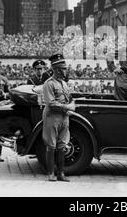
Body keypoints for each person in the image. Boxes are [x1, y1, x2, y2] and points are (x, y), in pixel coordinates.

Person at [42, 53, 75, 182]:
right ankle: (51, 173)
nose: (65, 71)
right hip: (52, 117)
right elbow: (51, 103)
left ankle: (61, 173)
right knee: (51, 145)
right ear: (55, 69)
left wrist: (72, 105)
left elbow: (71, 99)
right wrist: (68, 107)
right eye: (63, 68)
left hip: (64, 118)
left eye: (65, 68)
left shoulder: (64, 84)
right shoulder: (48, 84)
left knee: (62, 146)